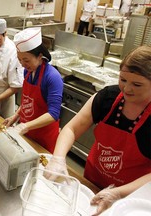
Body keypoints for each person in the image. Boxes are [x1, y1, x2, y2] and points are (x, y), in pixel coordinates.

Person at [45, 45, 151, 215]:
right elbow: (71, 128)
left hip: (130, 198)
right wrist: (58, 158)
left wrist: (117, 193)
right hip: (92, 182)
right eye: (123, 80)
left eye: (137, 84)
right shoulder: (107, 97)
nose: (127, 89)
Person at [4, 27, 63, 153]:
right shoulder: (28, 71)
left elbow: (53, 114)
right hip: (27, 132)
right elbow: (27, 102)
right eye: (19, 59)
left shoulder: (52, 77)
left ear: (40, 56)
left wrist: (24, 126)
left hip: (44, 137)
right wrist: (15, 117)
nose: (22, 64)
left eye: (26, 60)